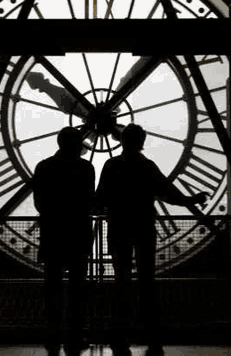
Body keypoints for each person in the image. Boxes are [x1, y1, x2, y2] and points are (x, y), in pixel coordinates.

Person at [95, 124, 209, 355]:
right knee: (147, 280)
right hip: (143, 227)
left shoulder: (112, 166)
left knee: (121, 281)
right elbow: (170, 193)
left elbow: (100, 198)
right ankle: (150, 330)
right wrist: (191, 200)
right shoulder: (147, 167)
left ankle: (120, 331)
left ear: (123, 140)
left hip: (119, 228)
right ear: (141, 142)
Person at [32, 126, 95, 354]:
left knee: (52, 286)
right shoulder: (85, 168)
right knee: (78, 288)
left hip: (53, 234)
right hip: (78, 234)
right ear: (77, 145)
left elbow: (40, 203)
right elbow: (89, 201)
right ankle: (75, 334)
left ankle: (53, 332)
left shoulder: (44, 167)